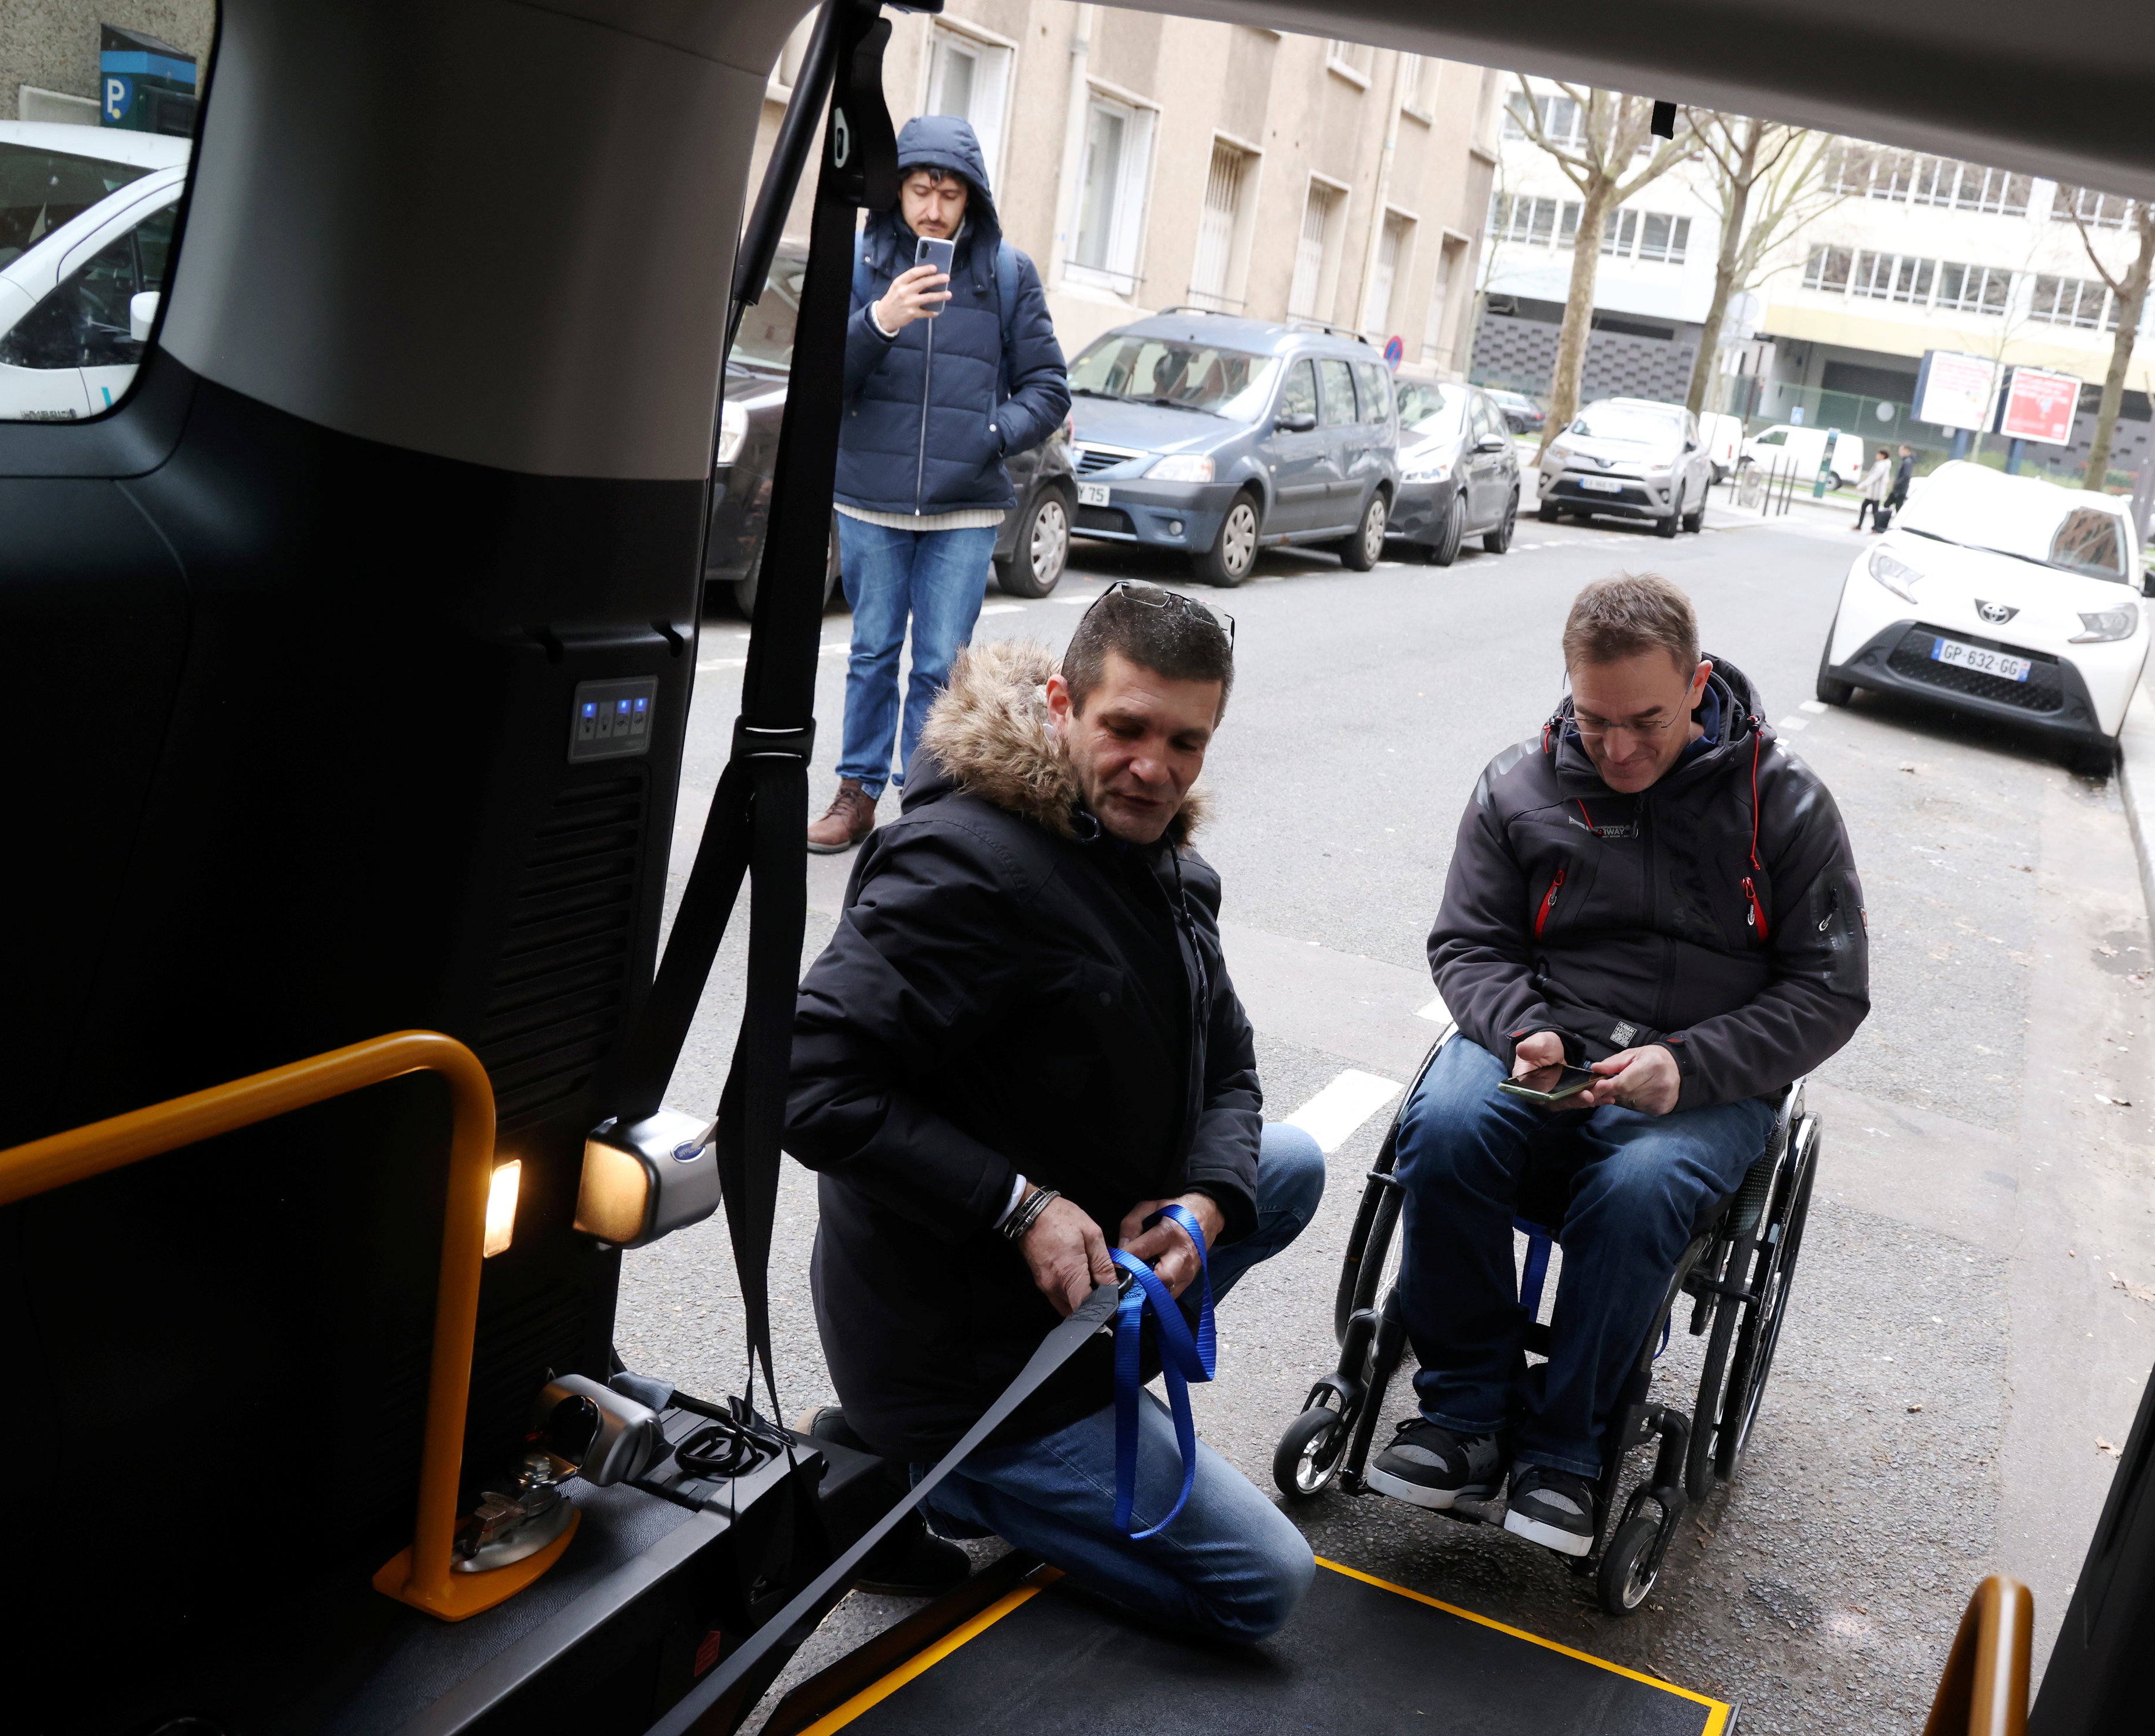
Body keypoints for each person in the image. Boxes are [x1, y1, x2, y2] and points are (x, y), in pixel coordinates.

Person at [784, 589, 1324, 1643]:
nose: (1155, 769)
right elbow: (805, 1084)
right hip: (964, 1350)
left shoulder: (1156, 864)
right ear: (1062, 703)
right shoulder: (969, 869)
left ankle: (1012, 1452)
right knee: (1268, 1587)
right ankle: (934, 1482)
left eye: (1185, 742)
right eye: (1126, 729)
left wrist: (1209, 1202)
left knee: (1281, 1168)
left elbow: (1235, 1073)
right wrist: (1019, 1205)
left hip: (1073, 1285)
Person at [1369, 574, 1869, 1555]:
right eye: (1596, 722)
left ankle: (1568, 1450)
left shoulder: (1789, 808)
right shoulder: (1520, 785)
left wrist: (1686, 1066)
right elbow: (1470, 943)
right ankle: (1466, 1412)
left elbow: (1829, 990)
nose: (1620, 748)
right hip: (1547, 1042)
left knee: (1641, 1184)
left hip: (1704, 1072)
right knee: (1447, 1127)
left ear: (1697, 683)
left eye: (1645, 720)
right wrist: (1520, 1028)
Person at [806, 116, 1070, 856]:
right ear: (898, 191)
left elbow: (1049, 388)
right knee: (871, 651)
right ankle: (856, 792)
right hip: (870, 495)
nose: (931, 207)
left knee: (941, 661)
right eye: (919, 189)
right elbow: (825, 376)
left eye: (947, 193)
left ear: (970, 201)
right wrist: (880, 320)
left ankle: (922, 801)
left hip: (965, 503)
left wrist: (987, 435)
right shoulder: (862, 262)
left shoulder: (1006, 272)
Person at [1853, 446, 1893, 530]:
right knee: (1870, 509)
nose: (1877, 455)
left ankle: (1875, 527)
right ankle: (1869, 526)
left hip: (1875, 493)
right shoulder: (1884, 465)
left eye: (1879, 454)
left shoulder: (1881, 466)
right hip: (1875, 493)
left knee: (1873, 511)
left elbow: (1873, 478)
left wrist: (1862, 485)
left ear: (1883, 456)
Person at [1878, 444, 1915, 530]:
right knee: (1895, 508)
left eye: (1901, 450)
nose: (1900, 452)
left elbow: (1906, 476)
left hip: (1899, 490)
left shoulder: (1907, 462)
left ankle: (1884, 526)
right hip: (1900, 490)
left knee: (1890, 506)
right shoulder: (1906, 461)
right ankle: (1886, 526)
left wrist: (1897, 485)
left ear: (1907, 450)